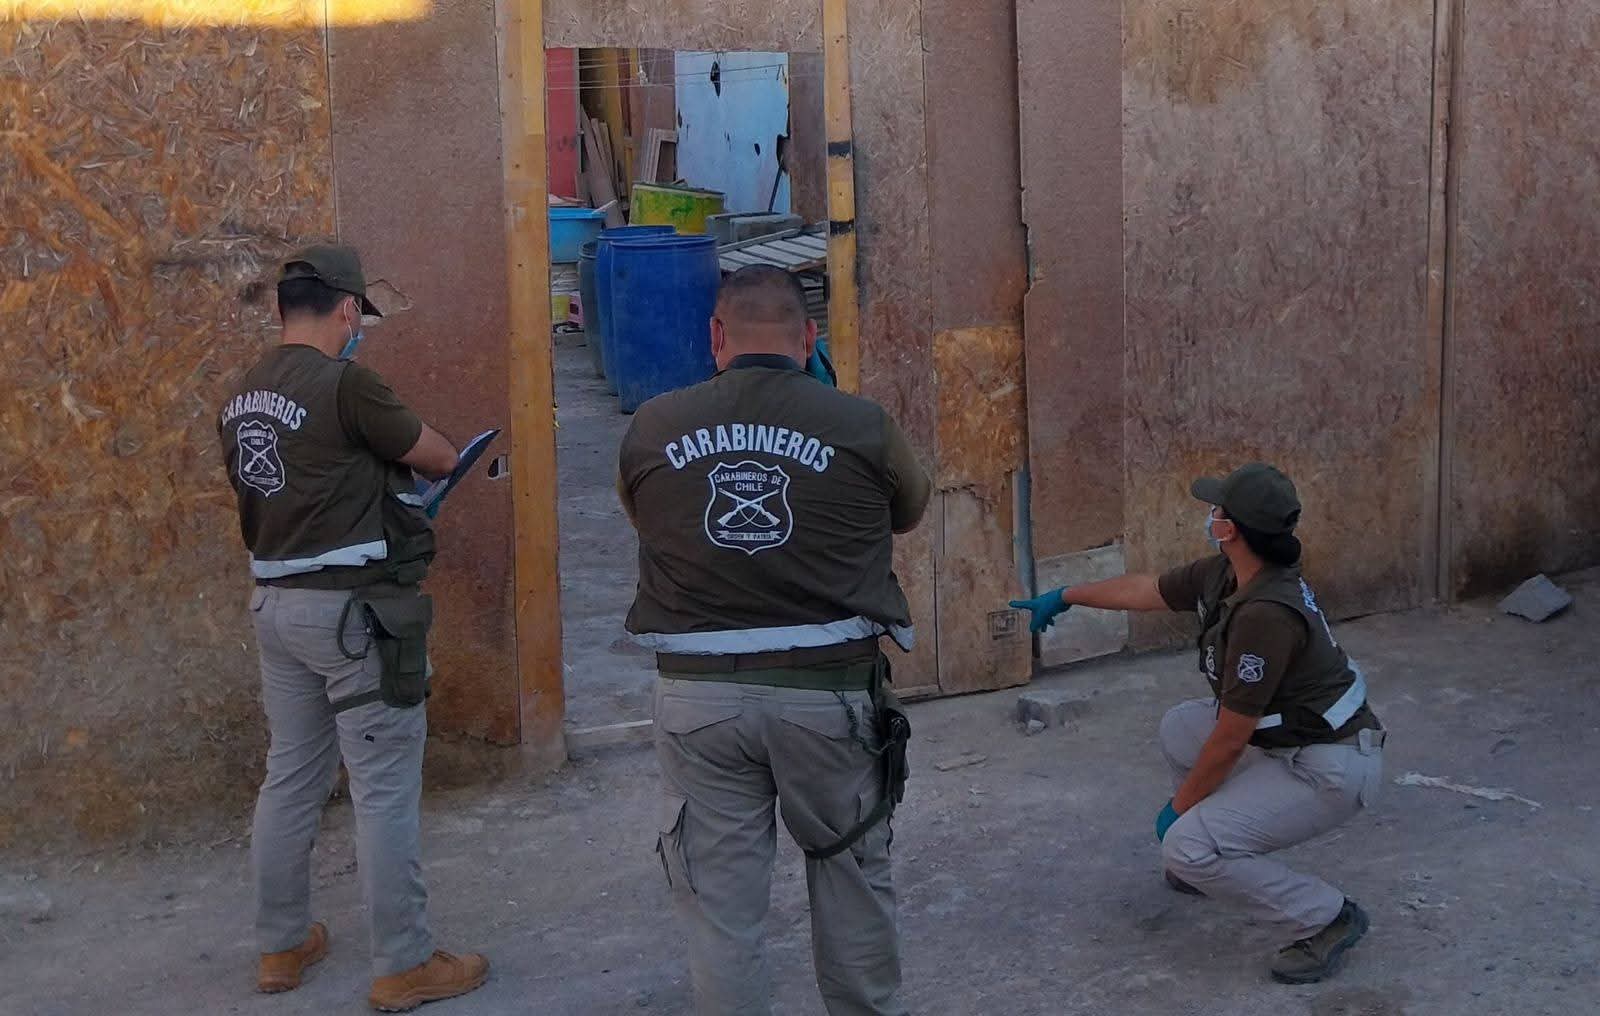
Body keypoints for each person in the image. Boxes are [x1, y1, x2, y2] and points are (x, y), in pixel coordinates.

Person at [617, 264, 932, 1015]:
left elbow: (646, 515)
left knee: (721, 907)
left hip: (699, 699)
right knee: (851, 875)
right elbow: (908, 509)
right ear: (809, 337)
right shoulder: (861, 424)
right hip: (829, 695)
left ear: (715, 336)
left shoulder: (653, 425)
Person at [218, 245, 488, 1011]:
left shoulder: (240, 392)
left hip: (276, 606)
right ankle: (404, 962)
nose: (359, 328)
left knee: (291, 777)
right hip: (351, 614)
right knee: (383, 790)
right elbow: (437, 457)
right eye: (358, 316)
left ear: (282, 310)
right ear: (345, 309)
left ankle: (280, 945)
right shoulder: (347, 384)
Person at [1011, 463, 1385, 984]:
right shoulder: (1228, 574)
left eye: (1217, 510)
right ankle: (1208, 858)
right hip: (1291, 740)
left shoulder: (1266, 614)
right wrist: (1067, 595)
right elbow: (1146, 590)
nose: (1210, 515)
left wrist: (1179, 809)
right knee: (1181, 727)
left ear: (1232, 529)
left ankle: (1325, 916)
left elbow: (1230, 738)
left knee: (1186, 844)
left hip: (1331, 768)